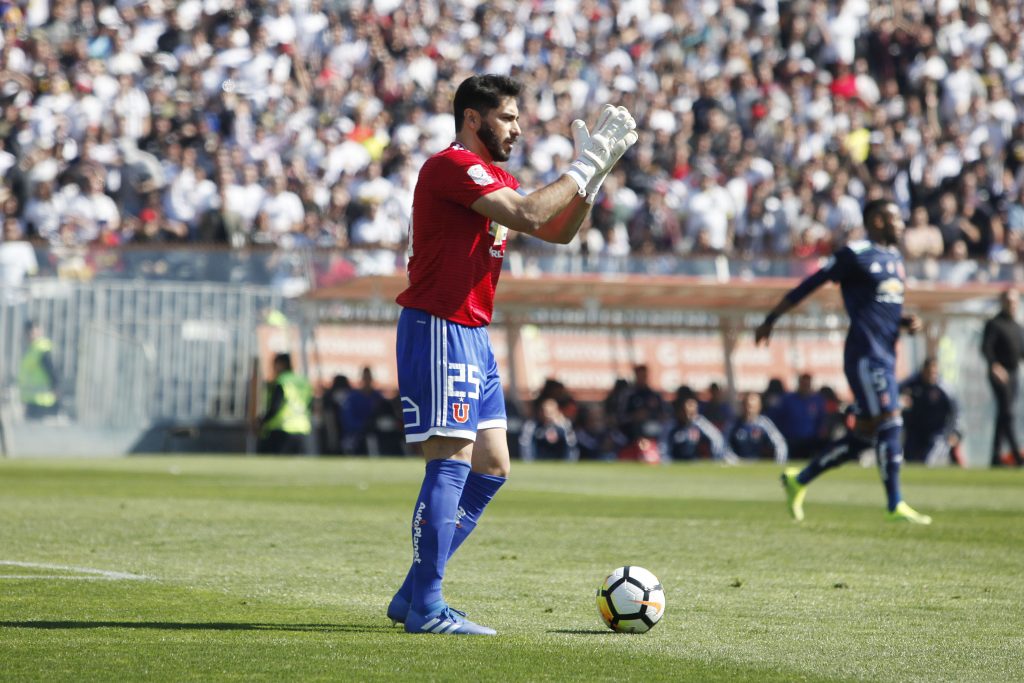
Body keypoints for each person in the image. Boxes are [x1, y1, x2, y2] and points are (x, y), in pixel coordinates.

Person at [386, 74, 638, 636]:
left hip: (474, 331)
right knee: (449, 461)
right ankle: (427, 606)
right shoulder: (450, 164)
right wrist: (580, 164)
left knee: (493, 466)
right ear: (472, 119)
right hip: (440, 323)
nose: (518, 128)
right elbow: (527, 215)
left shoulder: (498, 178)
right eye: (507, 117)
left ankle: (412, 593)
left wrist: (592, 178)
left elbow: (558, 231)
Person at [756, 198, 932, 524]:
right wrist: (771, 318)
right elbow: (811, 283)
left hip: (885, 354)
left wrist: (903, 322)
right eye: (895, 218)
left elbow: (879, 308)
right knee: (891, 421)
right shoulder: (855, 254)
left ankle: (799, 480)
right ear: (878, 221)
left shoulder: (894, 258)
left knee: (862, 438)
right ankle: (895, 503)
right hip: (866, 356)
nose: (901, 224)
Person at [981, 288, 1024, 467]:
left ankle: (995, 456)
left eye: (1014, 301)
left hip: (1014, 373)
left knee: (1004, 414)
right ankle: (1016, 453)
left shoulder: (1017, 326)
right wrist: (994, 365)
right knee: (1007, 412)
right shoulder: (994, 324)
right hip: (999, 373)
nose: (1011, 305)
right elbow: (986, 348)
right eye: (1008, 301)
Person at [899, 358, 963, 467]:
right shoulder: (912, 383)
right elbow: (895, 394)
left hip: (937, 433)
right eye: (929, 372)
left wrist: (955, 432)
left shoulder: (945, 388)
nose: (932, 375)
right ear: (923, 371)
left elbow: (956, 412)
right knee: (909, 460)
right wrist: (902, 401)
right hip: (914, 431)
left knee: (928, 460)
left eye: (934, 372)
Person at [258, 352, 313, 455]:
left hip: (282, 429)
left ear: (281, 364)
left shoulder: (282, 381)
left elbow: (275, 406)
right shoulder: (303, 381)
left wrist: (263, 421)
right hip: (302, 429)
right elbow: (310, 405)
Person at [666, 392, 728, 462]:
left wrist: (716, 457)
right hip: (675, 462)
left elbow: (716, 438)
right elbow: (664, 445)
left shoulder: (699, 423)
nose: (689, 414)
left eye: (692, 411)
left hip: (694, 462)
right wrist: (666, 459)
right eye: (686, 411)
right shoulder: (672, 425)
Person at [728, 392, 788, 463]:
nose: (749, 409)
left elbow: (780, 444)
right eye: (746, 405)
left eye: (752, 407)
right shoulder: (733, 424)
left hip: (759, 465)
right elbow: (724, 446)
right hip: (737, 464)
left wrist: (778, 461)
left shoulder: (764, 424)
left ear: (759, 407)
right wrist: (734, 460)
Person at [18, 321, 59, 420]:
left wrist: (56, 388)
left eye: (33, 331)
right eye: (28, 332)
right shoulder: (31, 349)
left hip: (43, 402)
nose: (30, 334)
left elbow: (52, 371)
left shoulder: (41, 349)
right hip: (32, 401)